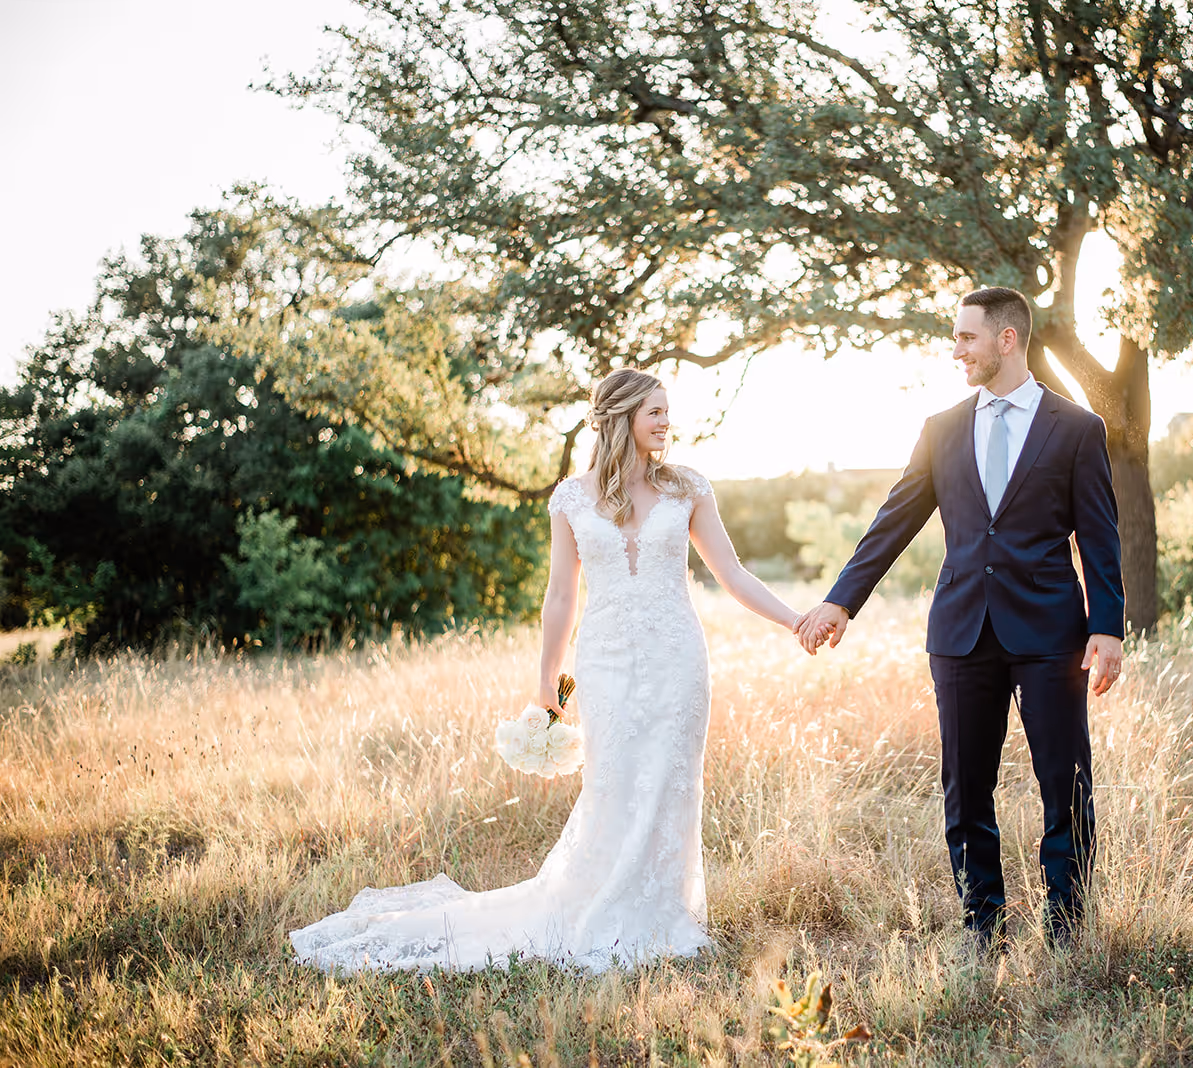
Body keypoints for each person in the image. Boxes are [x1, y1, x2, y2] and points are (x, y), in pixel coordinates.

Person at [290, 368, 805, 972]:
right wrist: (547, 688)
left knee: (671, 780)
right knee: (612, 781)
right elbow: (560, 596)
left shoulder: (689, 488)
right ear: (621, 418)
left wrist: (795, 621)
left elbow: (733, 574)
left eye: (668, 412)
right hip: (606, 658)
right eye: (655, 413)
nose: (667, 423)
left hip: (677, 657)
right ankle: (603, 908)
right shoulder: (570, 498)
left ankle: (663, 913)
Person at [797, 287, 1125, 950]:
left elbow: (1100, 535)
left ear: (1007, 339)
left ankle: (1067, 927)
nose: (957, 350)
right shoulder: (942, 428)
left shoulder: (1077, 429)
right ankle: (984, 925)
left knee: (1065, 782)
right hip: (961, 634)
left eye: (966, 338)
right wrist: (840, 600)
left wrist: (1108, 625)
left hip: (1051, 633)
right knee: (965, 788)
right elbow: (893, 521)